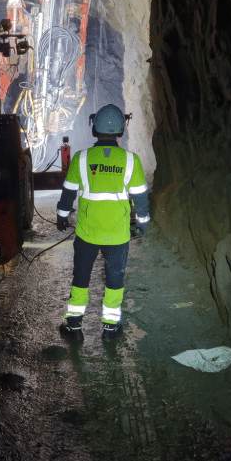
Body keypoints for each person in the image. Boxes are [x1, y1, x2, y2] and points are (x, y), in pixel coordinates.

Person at [56, 104, 150, 343]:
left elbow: (68, 193)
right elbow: (140, 197)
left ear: (95, 129)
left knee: (81, 278)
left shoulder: (82, 158)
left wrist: (61, 215)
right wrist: (142, 224)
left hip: (87, 235)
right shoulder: (131, 161)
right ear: (121, 131)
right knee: (115, 280)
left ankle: (75, 328)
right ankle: (110, 329)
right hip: (117, 236)